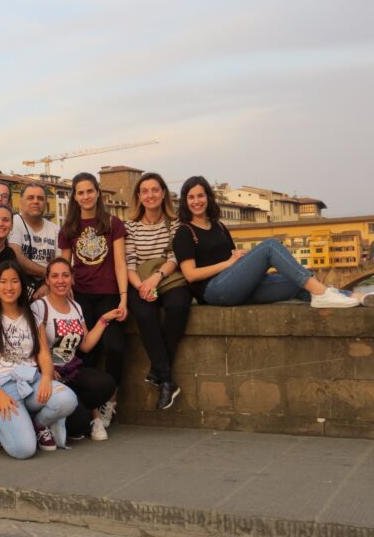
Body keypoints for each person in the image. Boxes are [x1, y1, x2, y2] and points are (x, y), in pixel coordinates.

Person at [173, 176, 361, 309]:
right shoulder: (184, 232)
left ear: (208, 198)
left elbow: (232, 258)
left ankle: (353, 297)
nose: (196, 201)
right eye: (191, 197)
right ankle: (327, 295)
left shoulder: (219, 227)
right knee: (270, 246)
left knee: (297, 281)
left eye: (200, 195)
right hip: (214, 291)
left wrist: (241, 260)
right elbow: (190, 275)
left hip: (237, 285)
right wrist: (228, 263)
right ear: (185, 201)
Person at [0, 260, 77, 459]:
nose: (9, 287)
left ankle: (38, 424)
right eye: (3, 282)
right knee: (25, 450)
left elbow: (43, 353)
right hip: (2, 387)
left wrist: (45, 378)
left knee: (68, 399)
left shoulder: (33, 318)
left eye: (15, 281)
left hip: (31, 380)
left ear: (22, 285)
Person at [58, 172, 128, 429]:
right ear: (75, 197)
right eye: (80, 192)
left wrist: (123, 298)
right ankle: (86, 408)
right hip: (81, 296)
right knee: (82, 351)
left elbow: (120, 263)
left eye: (90, 191)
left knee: (115, 347)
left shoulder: (112, 223)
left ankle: (110, 400)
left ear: (98, 193)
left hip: (109, 293)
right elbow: (65, 265)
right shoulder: (69, 228)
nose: (86, 196)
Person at [31, 258, 119, 441]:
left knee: (107, 384)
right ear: (47, 280)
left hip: (72, 371)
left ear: (72, 279)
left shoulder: (76, 307)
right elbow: (34, 346)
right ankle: (45, 420)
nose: (60, 280)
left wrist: (104, 320)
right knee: (78, 426)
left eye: (65, 275)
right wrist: (47, 370)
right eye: (54, 276)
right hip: (50, 373)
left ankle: (76, 408)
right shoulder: (40, 306)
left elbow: (85, 345)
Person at [125, 173, 192, 410]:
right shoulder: (130, 226)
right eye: (145, 191)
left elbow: (175, 255)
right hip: (140, 281)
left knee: (178, 307)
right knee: (144, 316)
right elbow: (129, 262)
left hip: (167, 276)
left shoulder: (175, 222)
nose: (150, 195)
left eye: (155, 190)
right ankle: (166, 379)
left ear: (163, 193)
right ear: (139, 196)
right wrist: (140, 286)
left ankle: (159, 373)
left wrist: (156, 277)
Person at [9, 183, 60, 298]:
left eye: (40, 198)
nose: (36, 201)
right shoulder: (13, 222)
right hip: (19, 290)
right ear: (21, 204)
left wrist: (47, 284)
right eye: (30, 198)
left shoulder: (56, 229)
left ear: (46, 205)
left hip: (49, 288)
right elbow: (15, 256)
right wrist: (50, 275)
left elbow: (60, 263)